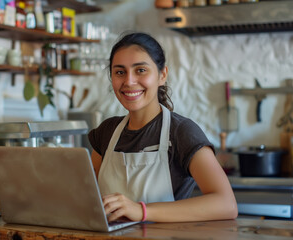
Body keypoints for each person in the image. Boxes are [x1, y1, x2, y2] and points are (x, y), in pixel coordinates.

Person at [88, 32, 238, 223]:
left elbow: (226, 204)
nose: (129, 81)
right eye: (120, 72)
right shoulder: (106, 132)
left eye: (140, 70)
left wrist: (141, 211)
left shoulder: (181, 132)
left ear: (162, 75)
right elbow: (87, 195)